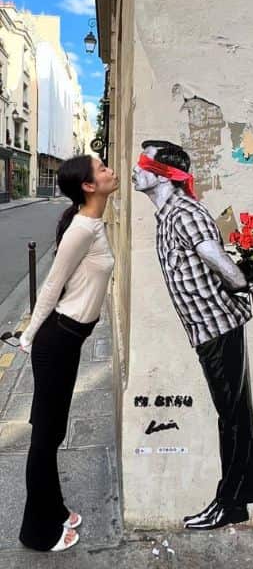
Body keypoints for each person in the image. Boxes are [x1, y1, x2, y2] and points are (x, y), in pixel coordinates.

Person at [132, 139, 253, 529]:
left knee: (232, 418)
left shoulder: (184, 213)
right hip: (209, 329)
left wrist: (241, 282)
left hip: (218, 327)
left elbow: (213, 255)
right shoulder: (170, 214)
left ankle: (227, 503)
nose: (136, 171)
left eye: (144, 164)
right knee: (236, 414)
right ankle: (236, 502)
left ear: (165, 175)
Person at [18, 155, 117, 552]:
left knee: (53, 433)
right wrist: (29, 333)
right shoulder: (81, 230)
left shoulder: (93, 222)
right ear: (89, 186)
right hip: (57, 340)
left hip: (69, 340)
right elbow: (51, 286)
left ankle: (54, 508)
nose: (110, 170)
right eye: (102, 168)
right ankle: (37, 532)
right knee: (44, 436)